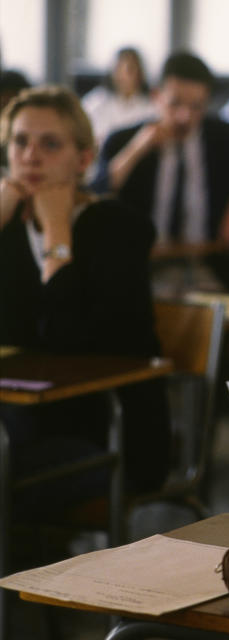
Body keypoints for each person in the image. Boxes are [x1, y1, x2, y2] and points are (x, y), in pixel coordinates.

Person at [0, 87, 169, 510]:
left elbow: (67, 339)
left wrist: (58, 233)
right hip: (21, 423)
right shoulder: (9, 225)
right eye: (20, 141)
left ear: (84, 160)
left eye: (50, 144)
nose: (30, 156)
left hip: (104, 431)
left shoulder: (119, 227)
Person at [92, 51, 229, 291]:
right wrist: (137, 150)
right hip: (142, 269)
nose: (184, 116)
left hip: (212, 265)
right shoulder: (123, 140)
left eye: (196, 107)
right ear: (157, 96)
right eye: (175, 103)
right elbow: (96, 194)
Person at [81, 47, 156, 150]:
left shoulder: (151, 105)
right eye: (118, 69)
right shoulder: (97, 101)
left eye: (130, 69)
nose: (123, 75)